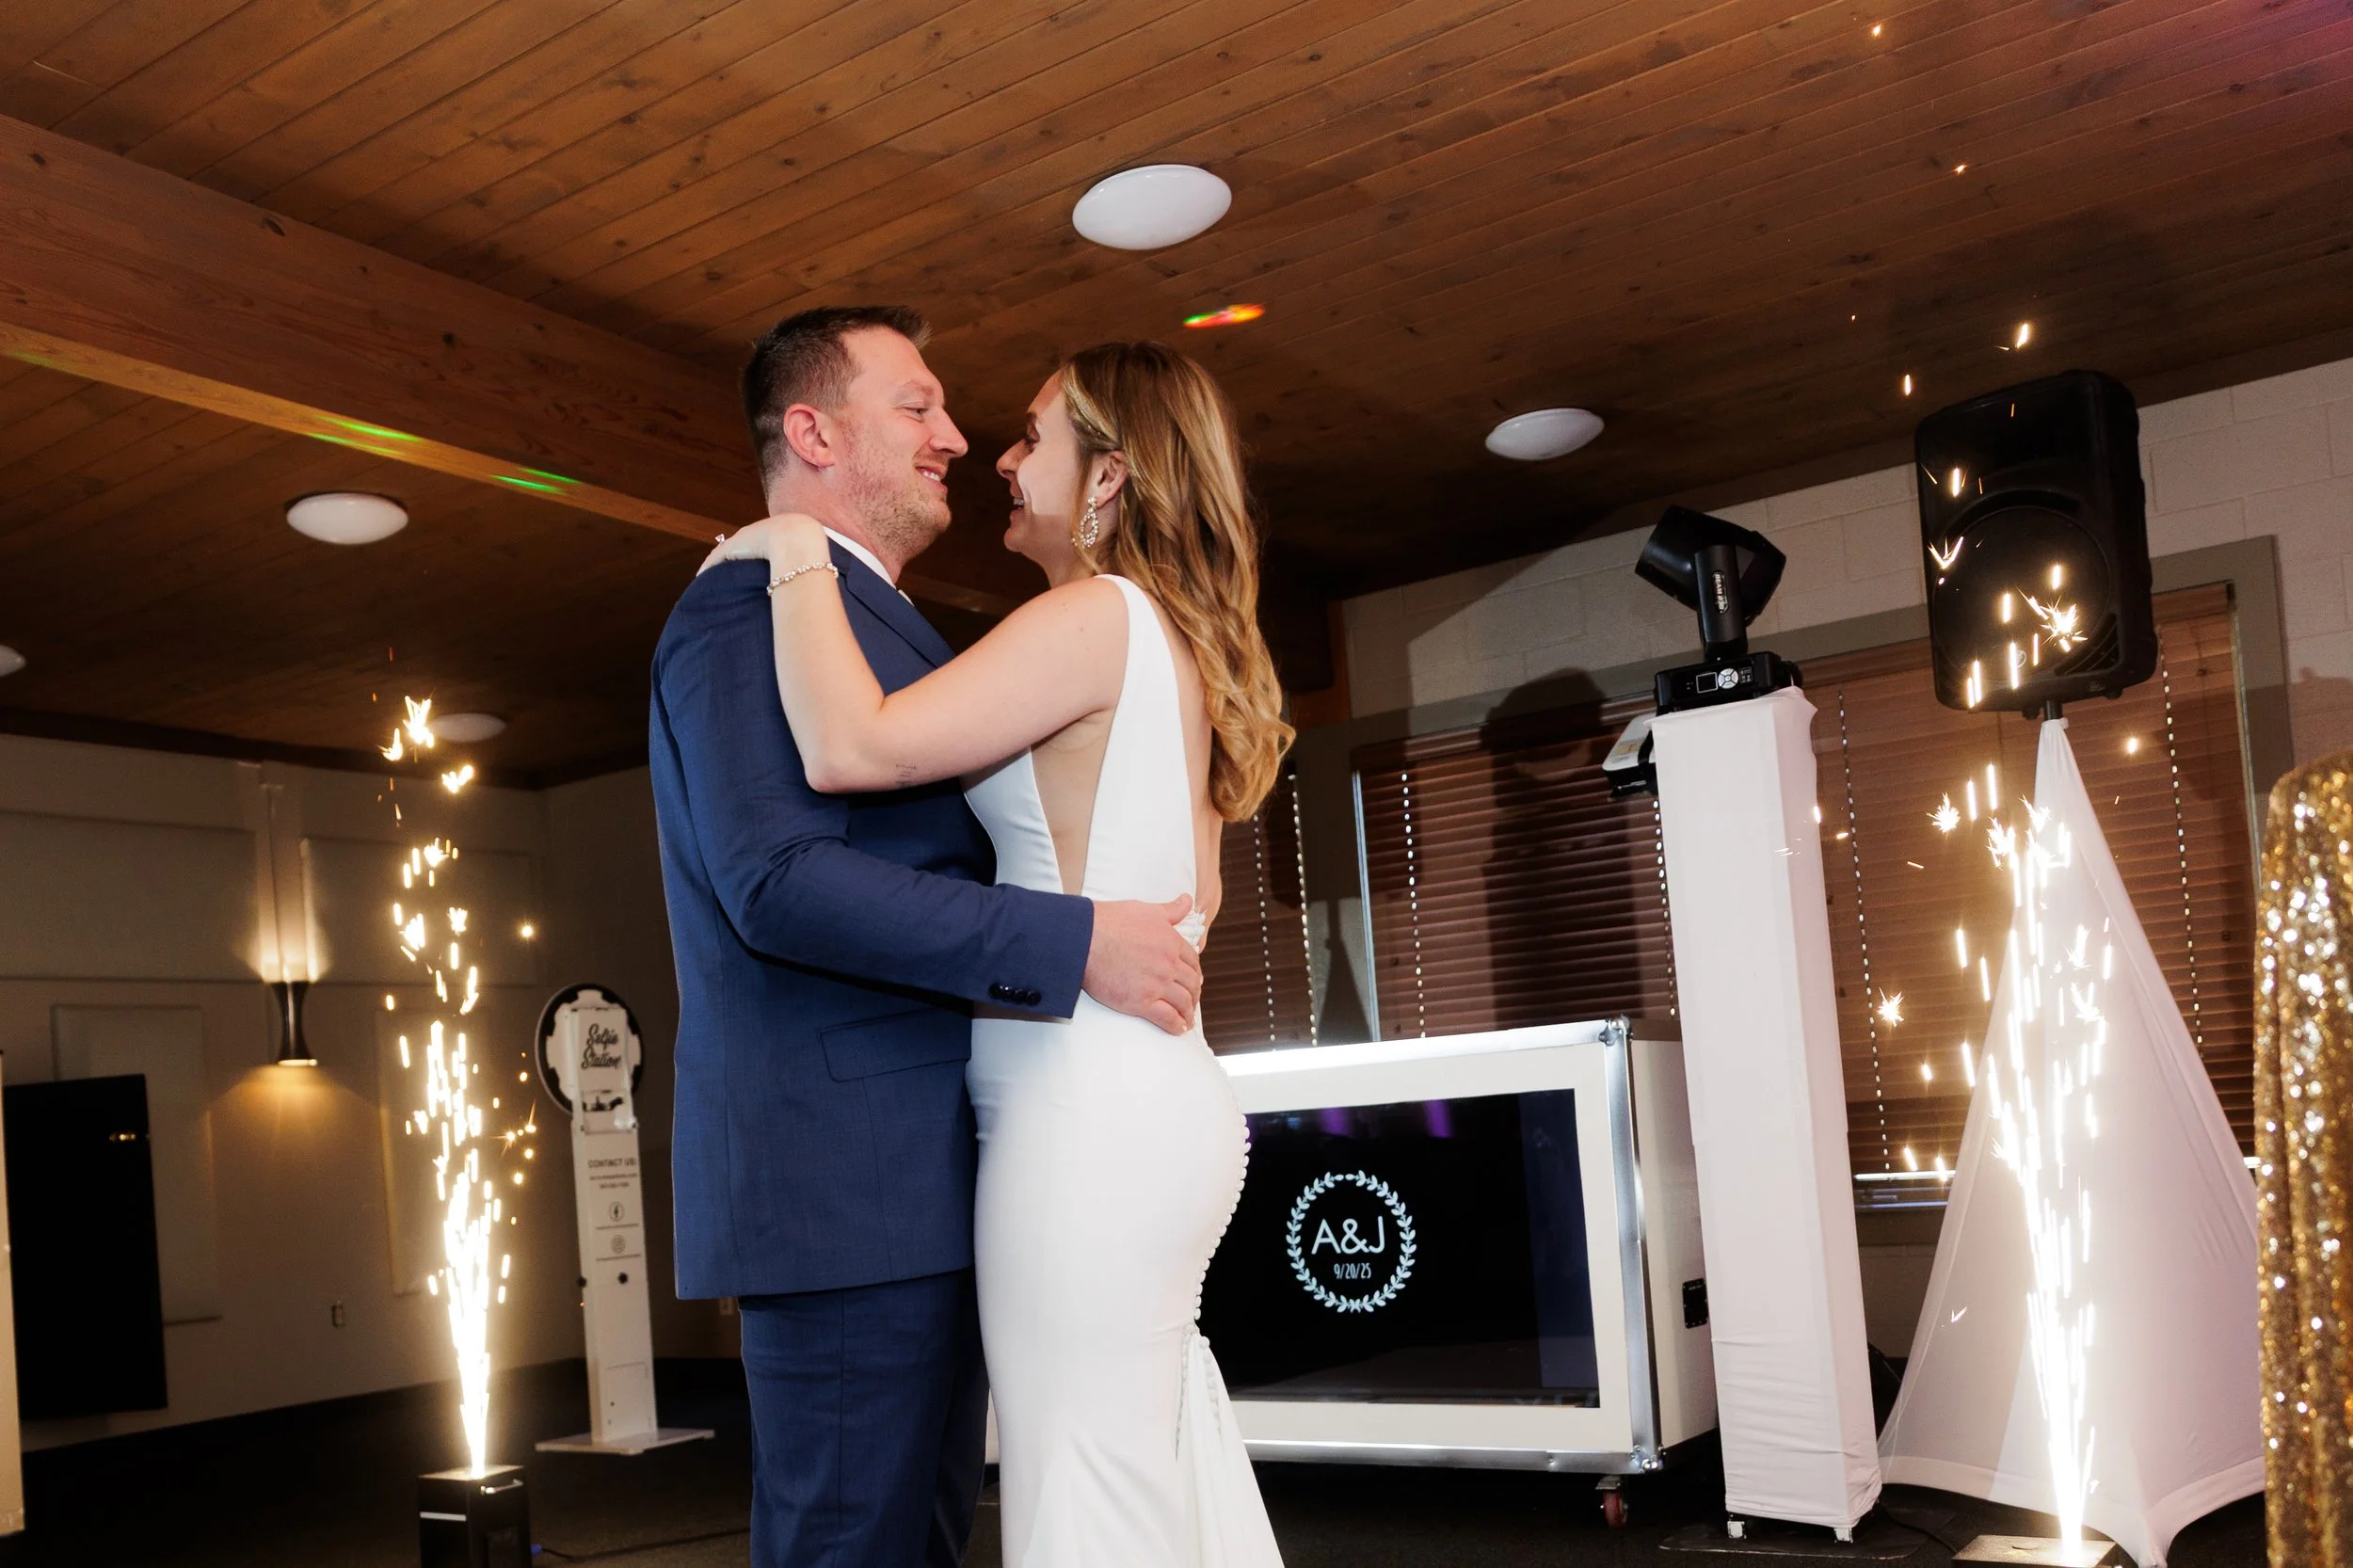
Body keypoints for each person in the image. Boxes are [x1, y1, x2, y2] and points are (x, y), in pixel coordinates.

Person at [705, 337, 1292, 1567]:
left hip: (1084, 1116)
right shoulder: (1170, 637)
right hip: (1151, 1099)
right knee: (1146, 1453)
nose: (999, 458)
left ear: (1111, 479)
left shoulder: (1094, 615)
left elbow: (849, 748)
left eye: (1036, 439)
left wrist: (787, 549)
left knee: (1086, 1479)